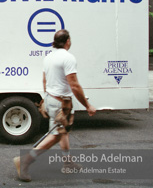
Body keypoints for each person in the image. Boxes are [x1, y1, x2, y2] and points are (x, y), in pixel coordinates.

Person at [13, 29, 97, 182]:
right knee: (55, 135)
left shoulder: (48, 57)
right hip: (61, 104)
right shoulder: (68, 58)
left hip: (51, 99)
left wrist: (46, 98)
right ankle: (25, 160)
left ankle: (67, 163)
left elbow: (44, 80)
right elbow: (74, 85)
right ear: (67, 41)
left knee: (63, 132)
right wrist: (87, 105)